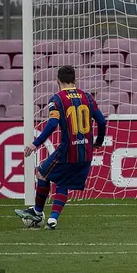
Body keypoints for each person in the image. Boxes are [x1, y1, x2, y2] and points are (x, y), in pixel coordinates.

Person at [15, 65, 106, 230]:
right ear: (75, 80)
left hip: (67, 151)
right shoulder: (87, 97)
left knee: (42, 173)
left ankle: (37, 212)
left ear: (57, 80)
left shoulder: (56, 99)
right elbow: (102, 121)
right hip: (86, 152)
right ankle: (52, 220)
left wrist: (35, 144)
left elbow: (52, 123)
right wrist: (98, 141)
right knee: (62, 182)